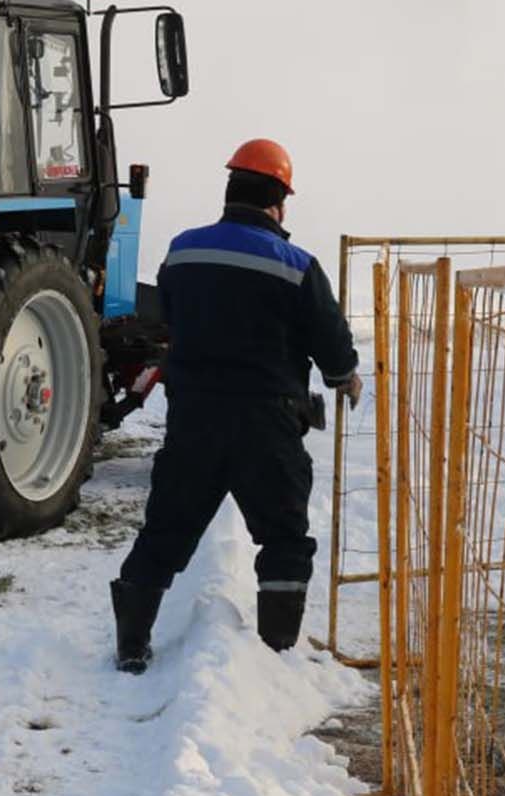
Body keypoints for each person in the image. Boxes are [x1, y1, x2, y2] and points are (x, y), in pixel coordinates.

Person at [109, 139, 362, 673]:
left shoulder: (182, 251)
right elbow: (332, 346)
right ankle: (276, 654)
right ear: (279, 202)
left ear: (230, 190)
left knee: (167, 529)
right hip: (267, 425)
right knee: (284, 536)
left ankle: (132, 645)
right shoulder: (297, 266)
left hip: (194, 419)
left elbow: (173, 319)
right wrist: (345, 377)